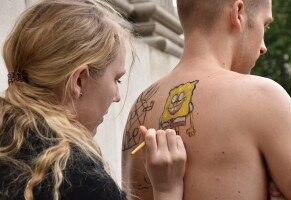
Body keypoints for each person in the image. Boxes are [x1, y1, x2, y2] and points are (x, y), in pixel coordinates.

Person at [0, 0, 186, 200]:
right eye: (117, 80)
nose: (117, 97)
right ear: (79, 81)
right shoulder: (78, 180)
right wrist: (168, 189)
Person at [122, 0, 291, 199]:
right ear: (238, 12)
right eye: (265, 25)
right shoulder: (264, 98)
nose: (263, 47)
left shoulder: (138, 110)